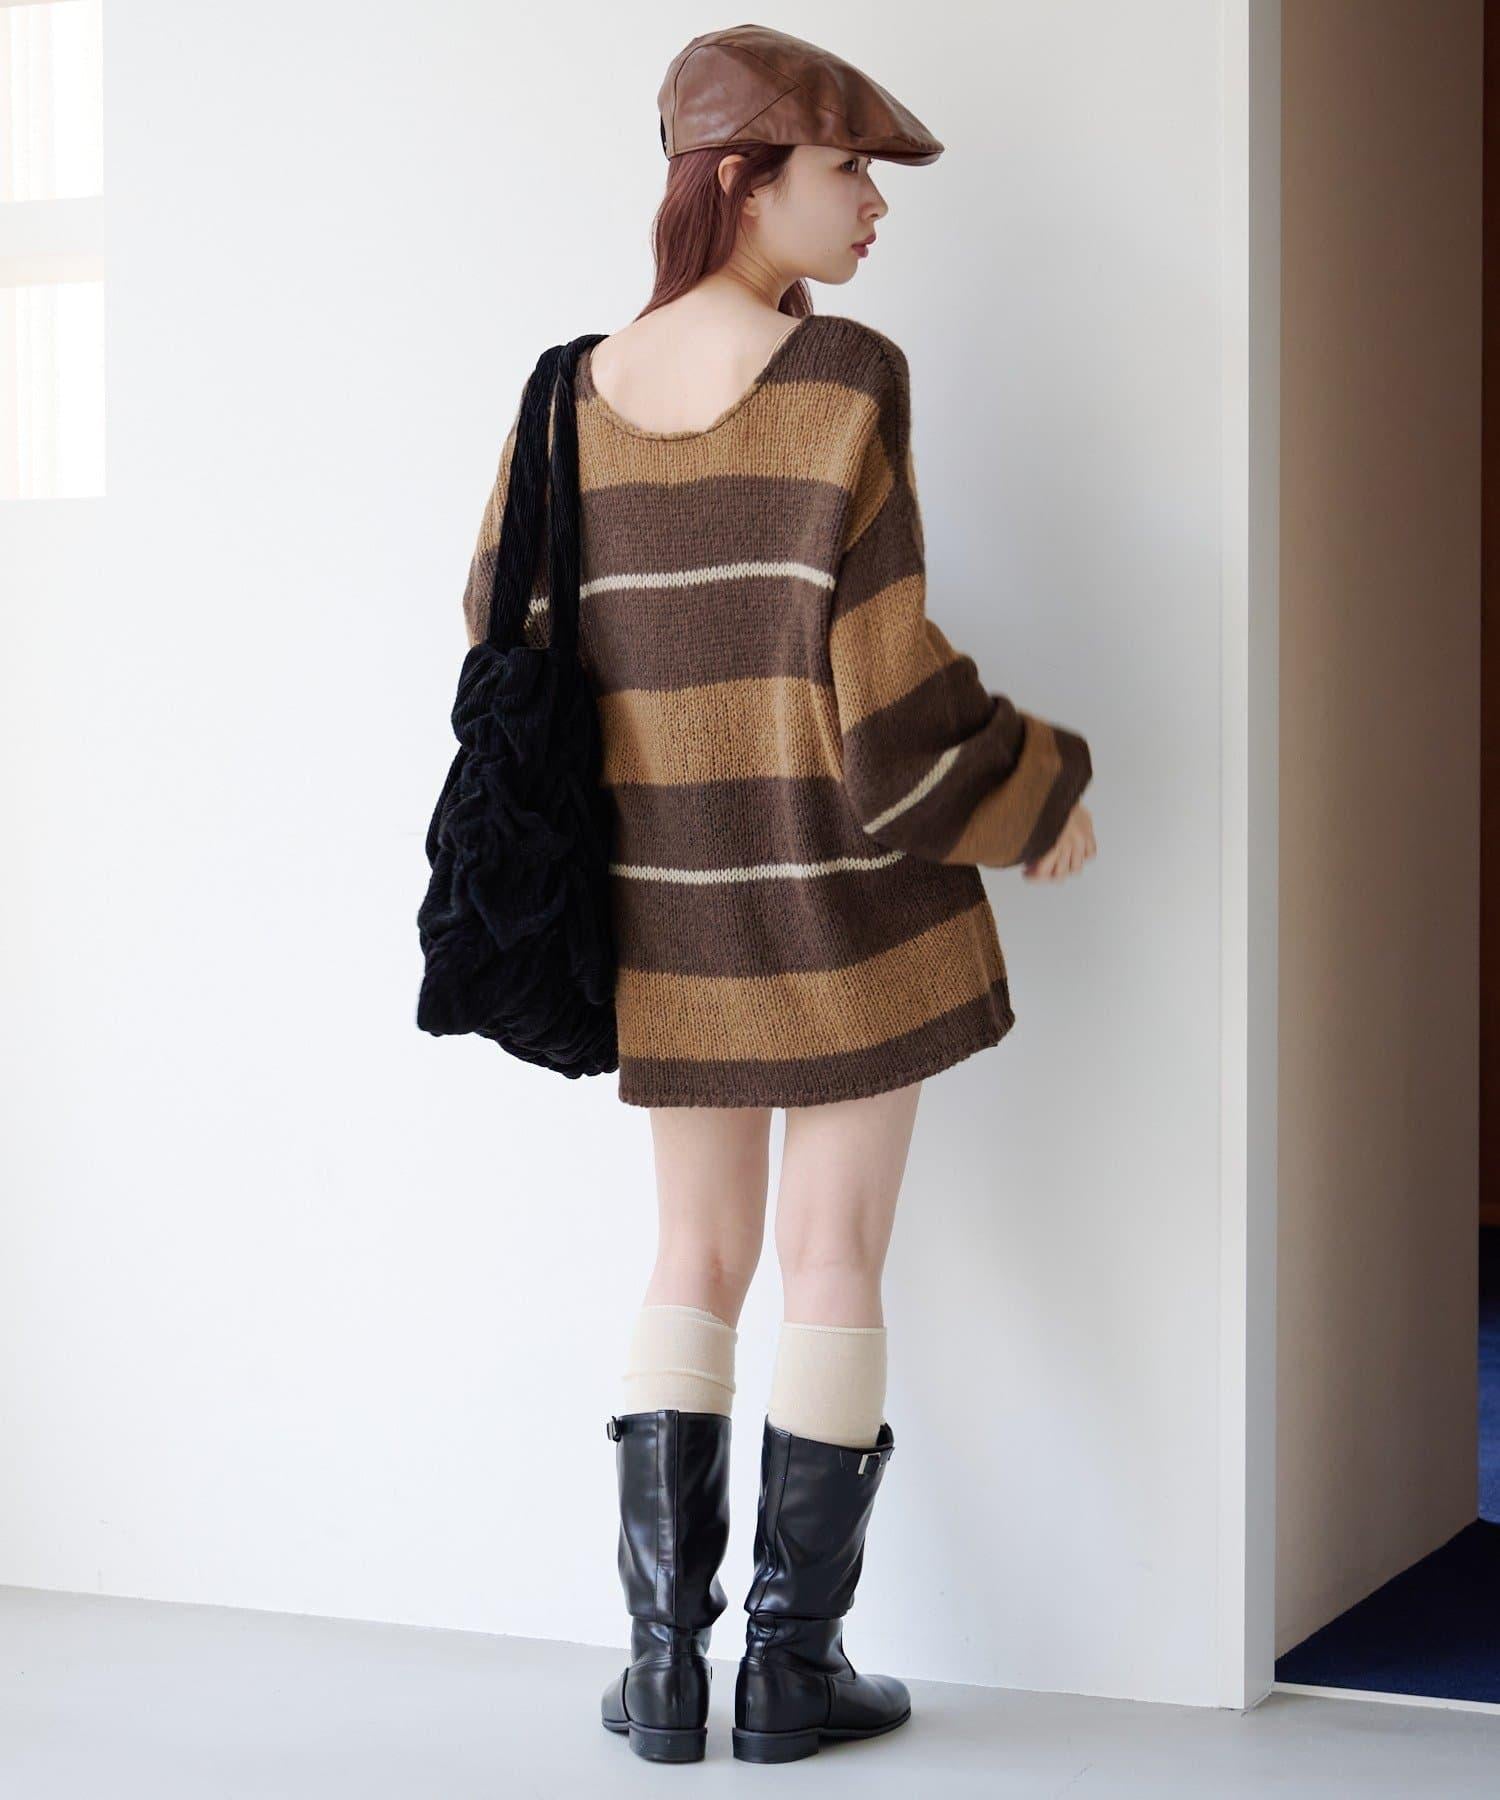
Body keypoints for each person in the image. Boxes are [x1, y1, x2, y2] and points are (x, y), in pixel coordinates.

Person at [460, 24, 1096, 1767]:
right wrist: (1038, 787)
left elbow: (501, 628)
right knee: (832, 1255)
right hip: (847, 898)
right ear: (744, 178)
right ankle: (790, 1676)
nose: (874, 202)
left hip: (667, 903)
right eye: (847, 167)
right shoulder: (845, 379)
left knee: (693, 1251)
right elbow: (883, 690)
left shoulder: (564, 396)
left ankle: (665, 1673)